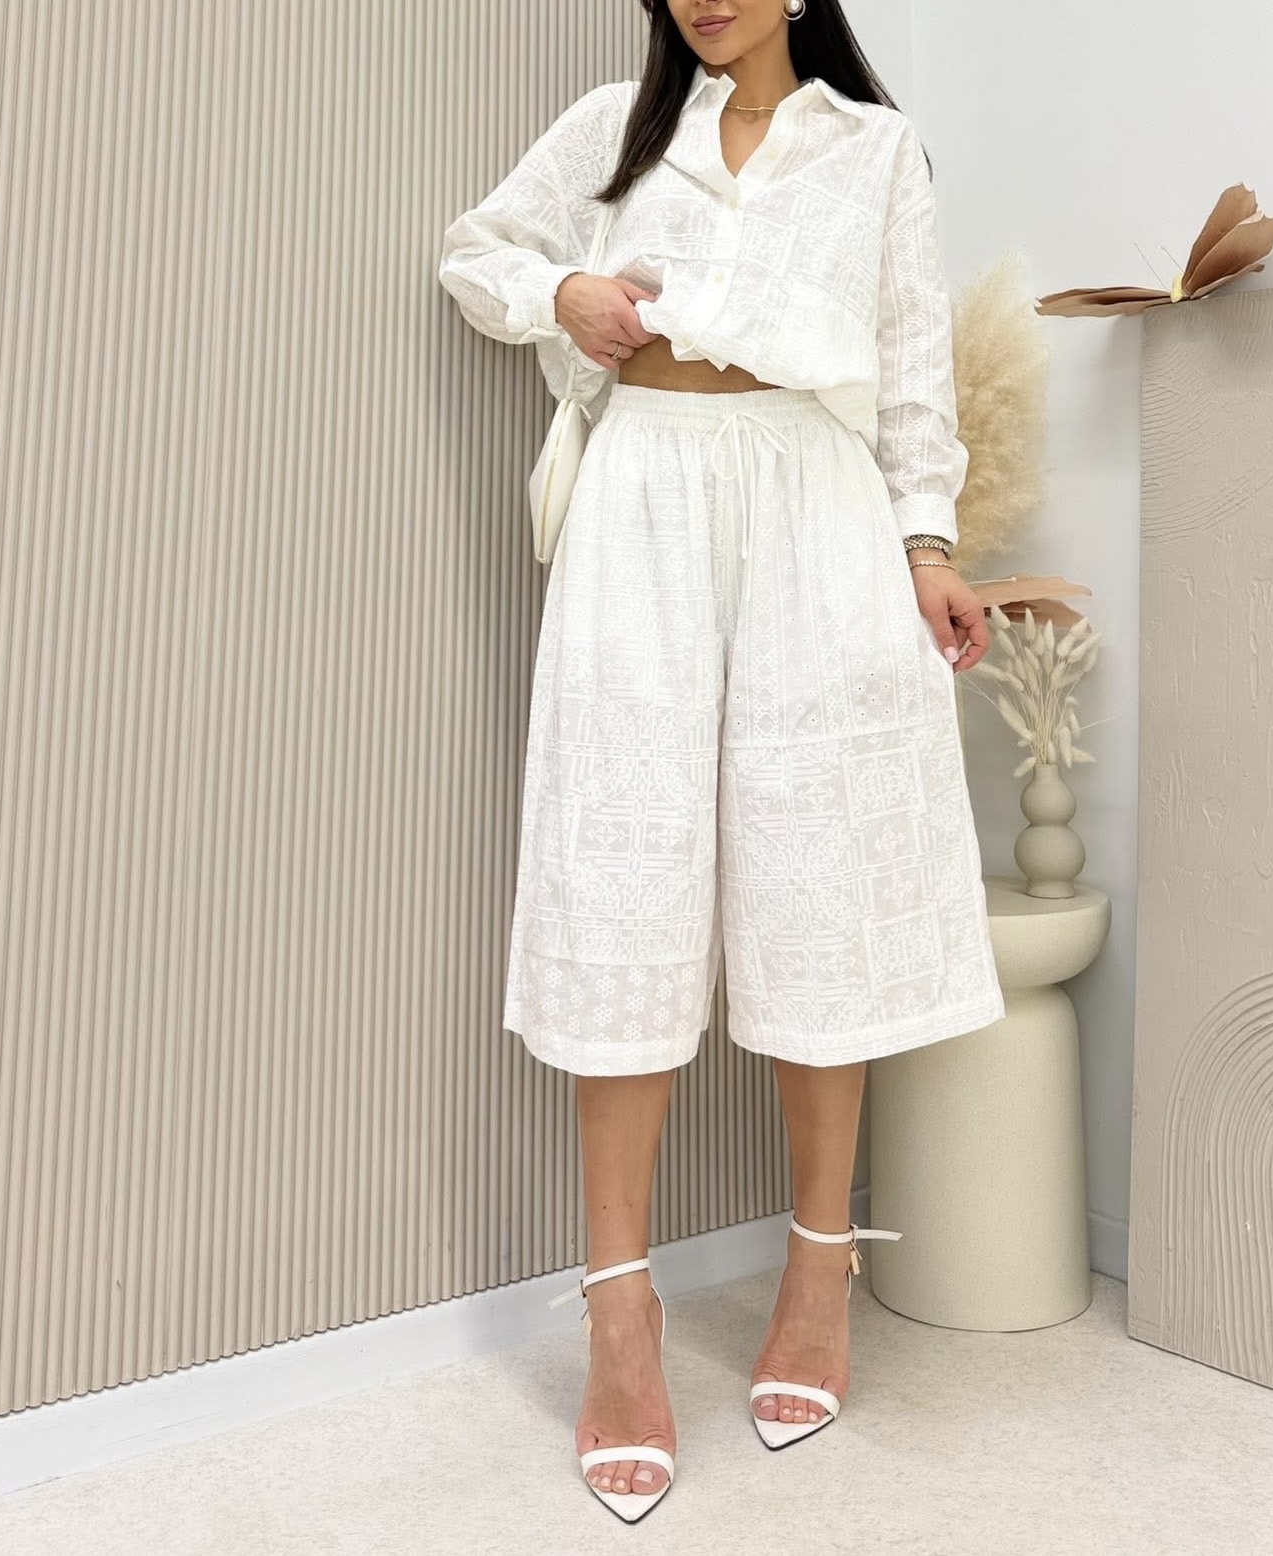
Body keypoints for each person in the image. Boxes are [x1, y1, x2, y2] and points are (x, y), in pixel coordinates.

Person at [438, 0, 1005, 1523]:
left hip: (816, 508)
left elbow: (912, 371)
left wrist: (928, 548)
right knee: (622, 864)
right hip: (642, 494)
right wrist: (562, 291)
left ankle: (817, 1272)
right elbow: (475, 253)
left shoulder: (875, 150)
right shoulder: (614, 130)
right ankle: (618, 1310)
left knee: (819, 875)